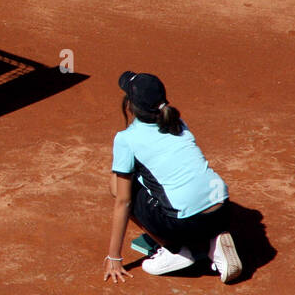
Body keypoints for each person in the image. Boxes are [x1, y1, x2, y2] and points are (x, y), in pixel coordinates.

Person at [103, 71, 241, 284]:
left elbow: (123, 200)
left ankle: (177, 251)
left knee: (122, 188)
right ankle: (215, 242)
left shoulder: (126, 139)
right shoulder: (177, 121)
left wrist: (114, 257)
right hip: (223, 211)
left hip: (184, 224)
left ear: (130, 106)